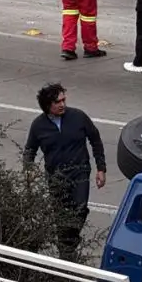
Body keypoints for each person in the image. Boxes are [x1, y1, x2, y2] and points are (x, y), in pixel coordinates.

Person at [22, 83, 107, 262]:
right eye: (57, 102)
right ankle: (65, 250)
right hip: (56, 176)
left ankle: (69, 243)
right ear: (47, 105)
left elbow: (95, 140)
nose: (62, 104)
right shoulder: (38, 125)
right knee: (61, 214)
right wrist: (29, 170)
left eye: (63, 100)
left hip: (80, 171)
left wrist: (101, 168)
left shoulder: (78, 117)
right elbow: (30, 150)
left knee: (79, 208)